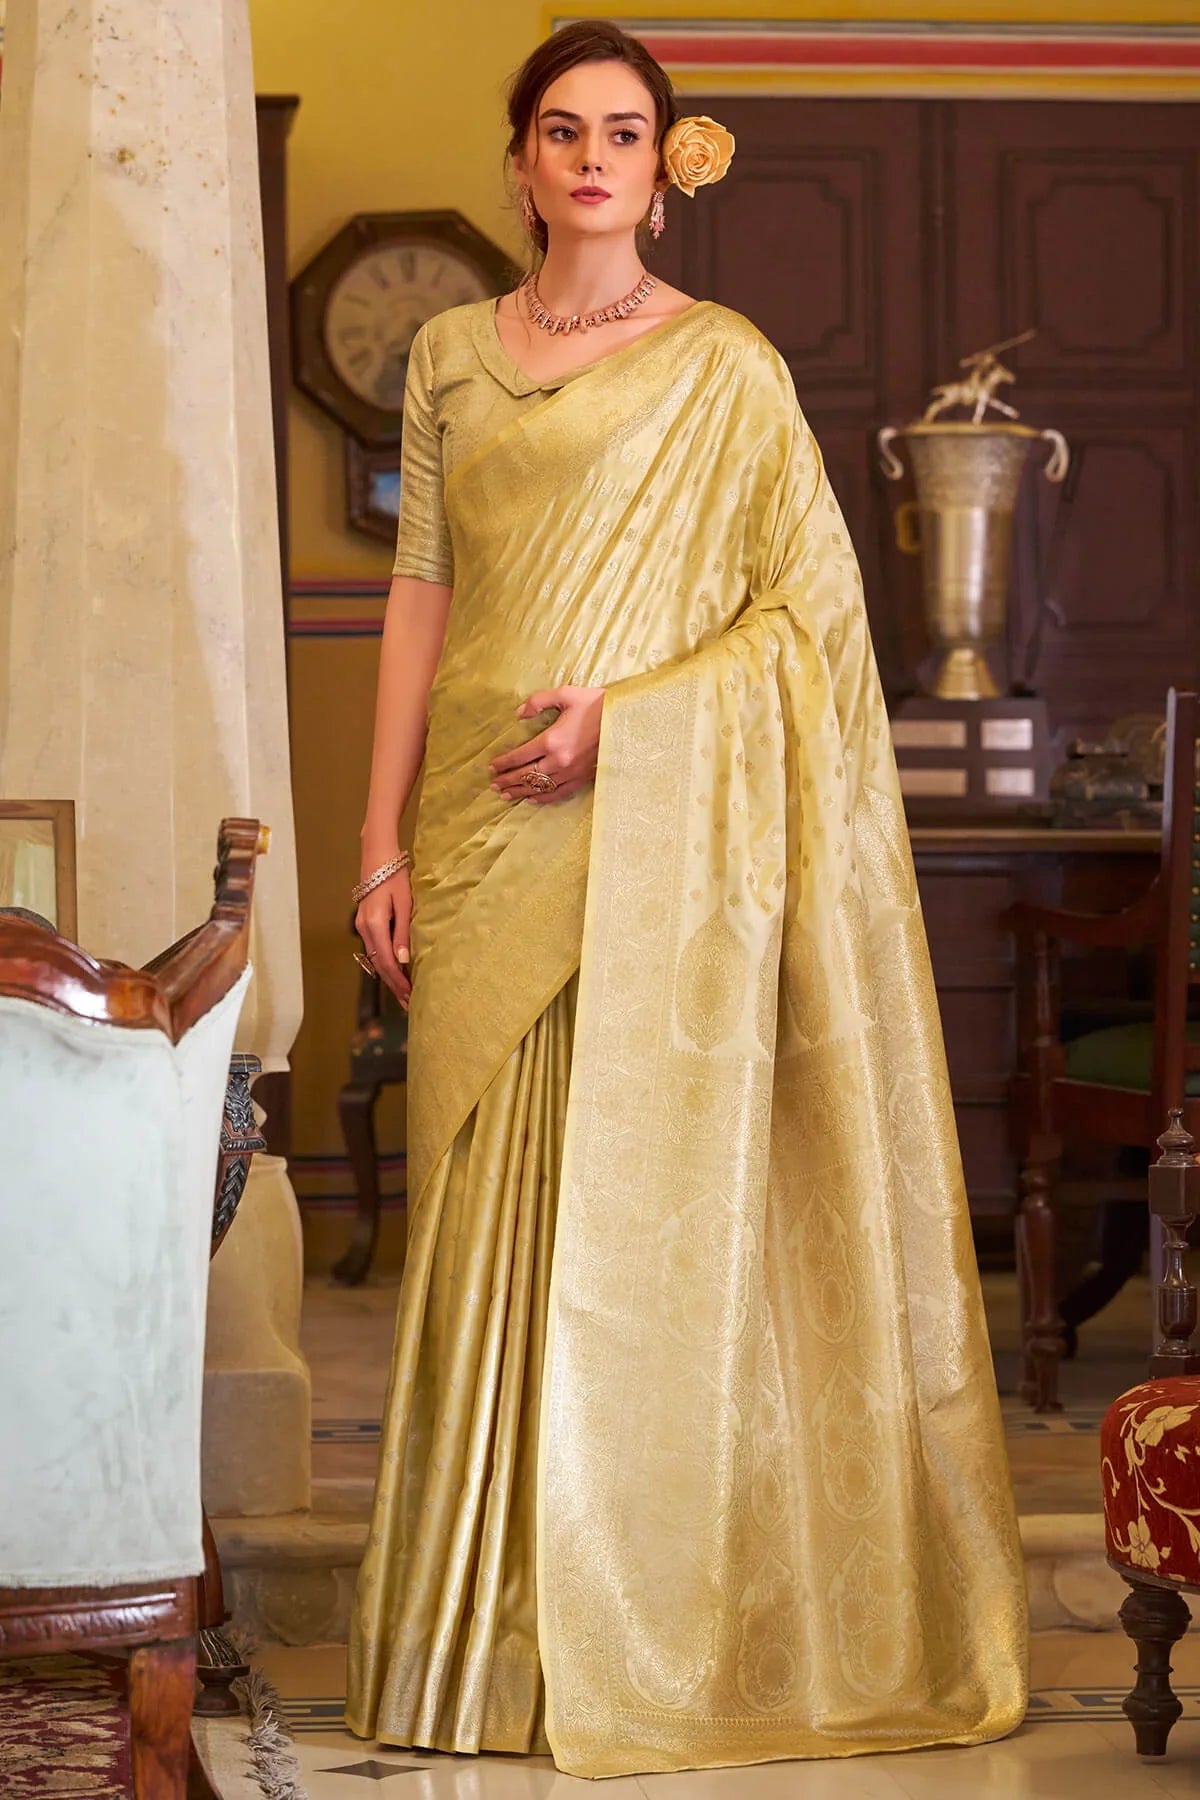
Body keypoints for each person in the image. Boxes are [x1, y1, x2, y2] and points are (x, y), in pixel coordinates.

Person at [345, 19, 1027, 1782]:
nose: (592, 160)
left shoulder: (724, 365)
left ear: (666, 167)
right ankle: (470, 1649)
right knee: (482, 1205)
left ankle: (625, 1630)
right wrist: (377, 842)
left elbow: (808, 618)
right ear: (520, 160)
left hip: (642, 827)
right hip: (478, 827)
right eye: (563, 132)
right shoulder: (447, 353)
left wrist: (629, 727)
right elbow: (420, 593)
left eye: (624, 134)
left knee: (623, 1209)